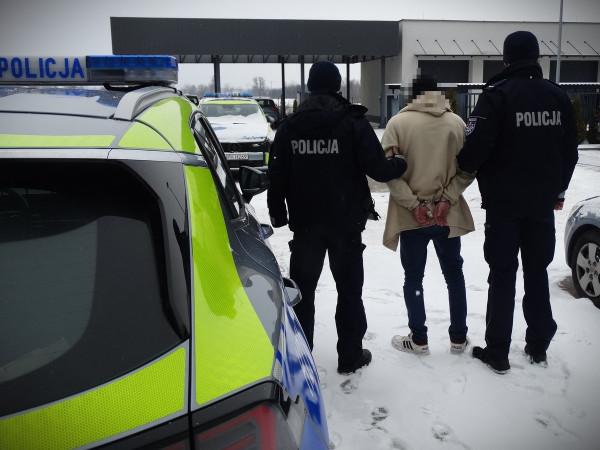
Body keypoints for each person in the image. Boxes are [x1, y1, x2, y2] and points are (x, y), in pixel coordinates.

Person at [267, 61, 407, 374]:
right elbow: (378, 168)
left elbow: (276, 175)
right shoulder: (352, 122)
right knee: (349, 292)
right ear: (337, 86)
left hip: (306, 226)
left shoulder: (290, 127)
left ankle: (302, 361)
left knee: (302, 294)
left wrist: (278, 214)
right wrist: (400, 164)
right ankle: (350, 356)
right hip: (346, 224)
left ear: (309, 86)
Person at [455, 31, 578, 373]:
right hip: (541, 205)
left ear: (506, 58)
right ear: (536, 57)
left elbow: (473, 152)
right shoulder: (557, 96)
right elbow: (570, 151)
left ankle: (498, 351)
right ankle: (538, 345)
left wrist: (465, 164)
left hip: (504, 205)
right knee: (537, 271)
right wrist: (558, 191)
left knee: (503, 274)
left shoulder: (497, 95)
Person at [381, 75, 475, 356]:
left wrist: (414, 205)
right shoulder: (456, 124)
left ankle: (419, 339)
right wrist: (447, 199)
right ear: (437, 94)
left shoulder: (398, 124)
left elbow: (388, 172)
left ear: (414, 95)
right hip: (447, 215)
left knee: (413, 278)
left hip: (411, 218)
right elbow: (469, 169)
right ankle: (458, 338)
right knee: (454, 275)